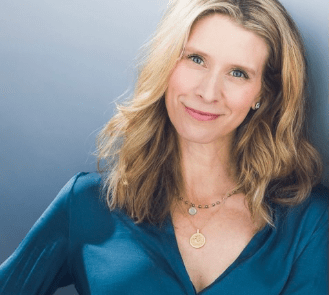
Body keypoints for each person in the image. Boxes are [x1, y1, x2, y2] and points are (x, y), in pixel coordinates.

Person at [0, 0, 327, 294]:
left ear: (262, 94)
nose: (209, 92)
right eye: (196, 59)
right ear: (166, 65)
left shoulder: (310, 222)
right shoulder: (85, 204)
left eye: (238, 73)